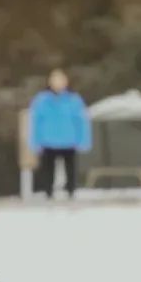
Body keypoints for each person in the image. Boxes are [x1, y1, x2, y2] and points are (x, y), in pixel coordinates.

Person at [28, 68, 91, 200]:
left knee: (71, 169)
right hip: (48, 140)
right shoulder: (41, 100)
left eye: (60, 80)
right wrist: (35, 141)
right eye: (55, 80)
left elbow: (81, 121)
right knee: (47, 169)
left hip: (69, 139)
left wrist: (83, 140)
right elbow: (35, 122)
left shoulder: (74, 100)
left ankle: (71, 191)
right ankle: (48, 192)